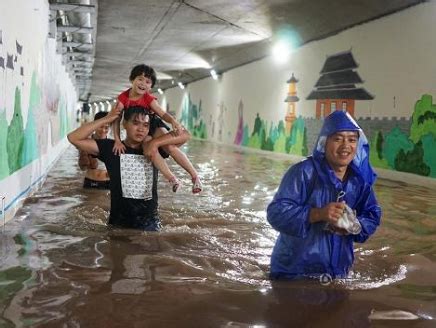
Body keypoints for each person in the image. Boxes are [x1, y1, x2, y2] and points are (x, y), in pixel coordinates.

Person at [266, 110, 382, 280]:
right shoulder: (303, 173)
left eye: (352, 140)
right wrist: (317, 214)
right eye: (337, 139)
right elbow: (275, 213)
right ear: (324, 142)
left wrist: (353, 225)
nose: (345, 146)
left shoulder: (359, 182)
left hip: (338, 273)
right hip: (294, 273)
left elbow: (372, 216)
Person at [68, 106, 176, 230]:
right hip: (118, 224)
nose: (141, 129)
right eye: (135, 123)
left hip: (150, 224)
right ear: (124, 123)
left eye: (146, 125)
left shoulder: (154, 151)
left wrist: (164, 130)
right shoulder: (111, 149)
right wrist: (107, 119)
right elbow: (73, 138)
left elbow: (184, 136)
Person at [111, 64, 202, 194]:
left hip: (154, 124)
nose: (143, 84)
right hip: (142, 128)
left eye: (147, 82)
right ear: (132, 80)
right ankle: (172, 179)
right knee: (150, 150)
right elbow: (116, 119)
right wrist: (117, 140)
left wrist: (173, 121)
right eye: (140, 79)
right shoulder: (123, 98)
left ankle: (195, 176)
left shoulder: (148, 98)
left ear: (151, 86)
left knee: (170, 147)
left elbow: (162, 113)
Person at [78, 111, 110, 189]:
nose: (103, 130)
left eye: (106, 127)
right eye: (101, 127)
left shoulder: (112, 144)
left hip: (107, 183)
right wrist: (85, 157)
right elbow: (82, 168)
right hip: (90, 181)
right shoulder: (86, 143)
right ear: (95, 125)